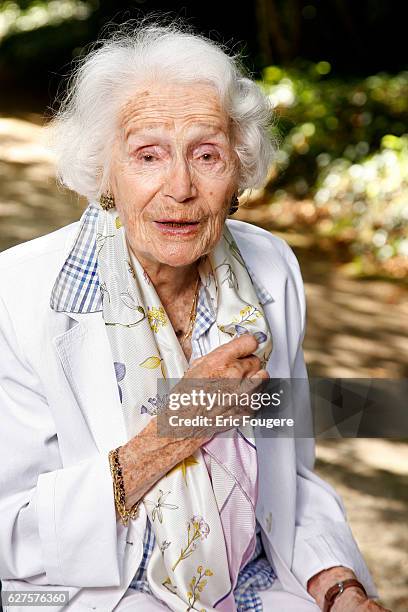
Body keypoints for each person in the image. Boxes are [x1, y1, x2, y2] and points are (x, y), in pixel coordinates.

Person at [0, 19, 390, 612]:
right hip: (97, 591)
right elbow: (12, 535)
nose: (179, 187)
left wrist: (337, 584)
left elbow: (289, 479)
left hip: (250, 578)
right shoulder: (20, 294)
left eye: (206, 154)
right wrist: (174, 428)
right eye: (148, 155)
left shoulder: (270, 270)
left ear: (239, 170)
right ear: (106, 172)